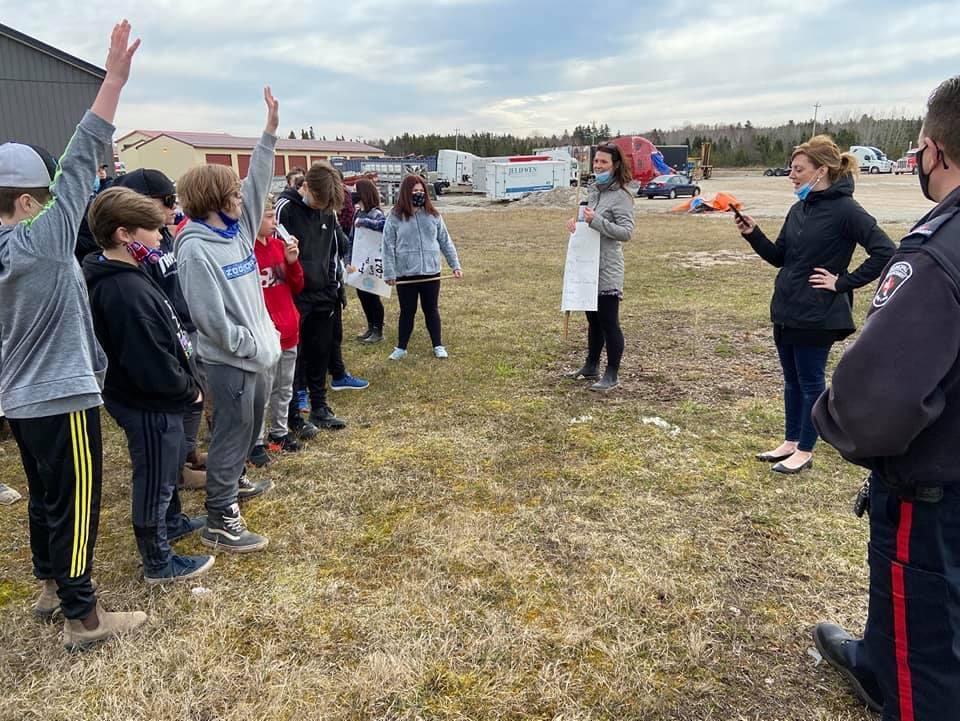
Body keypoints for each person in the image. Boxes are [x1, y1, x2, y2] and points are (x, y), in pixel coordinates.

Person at [811, 76, 960, 721]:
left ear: (934, 149)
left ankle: (896, 679)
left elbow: (876, 404)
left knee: (923, 657)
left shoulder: (937, 252)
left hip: (936, 495)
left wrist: (824, 417)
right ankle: (874, 658)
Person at [0, 20, 147, 650]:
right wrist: (112, 79)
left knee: (43, 498)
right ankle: (84, 619)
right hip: (63, 398)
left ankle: (47, 588)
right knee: (77, 508)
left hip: (19, 403)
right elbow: (86, 150)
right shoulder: (42, 238)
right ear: (31, 202)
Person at [734, 135, 895, 474]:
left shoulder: (847, 211)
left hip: (819, 313)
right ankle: (790, 441)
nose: (791, 175)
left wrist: (842, 282)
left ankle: (805, 450)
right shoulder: (799, 209)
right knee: (791, 380)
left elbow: (885, 251)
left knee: (810, 382)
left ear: (821, 171)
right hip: (788, 308)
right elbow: (781, 257)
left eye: (798, 169)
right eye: (791, 169)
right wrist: (754, 234)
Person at [83, 187, 213, 584]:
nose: (160, 237)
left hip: (161, 398)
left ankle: (172, 522)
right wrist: (186, 390)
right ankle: (157, 560)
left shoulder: (132, 272)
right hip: (149, 403)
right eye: (152, 229)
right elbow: (147, 359)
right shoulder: (121, 290)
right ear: (124, 234)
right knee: (154, 476)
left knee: (167, 464)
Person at [174, 87, 282, 553]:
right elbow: (210, 322)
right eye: (232, 192)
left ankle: (233, 484)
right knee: (231, 434)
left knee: (243, 431)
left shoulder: (235, 231)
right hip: (231, 361)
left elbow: (257, 183)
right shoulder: (196, 247)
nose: (242, 197)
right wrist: (252, 344)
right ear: (214, 200)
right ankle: (220, 517)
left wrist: (270, 135)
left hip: (256, 357)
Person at [112, 168, 206, 486]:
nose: (171, 209)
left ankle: (187, 455)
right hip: (161, 338)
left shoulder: (161, 236)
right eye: (166, 201)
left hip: (182, 326)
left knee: (195, 396)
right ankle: (176, 470)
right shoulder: (131, 252)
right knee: (180, 401)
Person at [274, 161, 351, 433]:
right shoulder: (285, 209)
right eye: (317, 201)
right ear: (305, 186)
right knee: (295, 358)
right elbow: (276, 251)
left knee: (321, 351)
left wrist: (333, 286)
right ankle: (293, 412)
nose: (320, 208)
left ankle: (320, 406)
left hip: (324, 294)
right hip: (295, 295)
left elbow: (332, 251)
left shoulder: (328, 212)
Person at [565, 142, 636, 392]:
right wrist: (577, 225)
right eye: (596, 161)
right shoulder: (593, 193)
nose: (598, 166)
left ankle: (612, 374)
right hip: (587, 266)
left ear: (615, 165)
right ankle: (591, 365)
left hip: (607, 268)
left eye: (603, 162)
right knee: (593, 321)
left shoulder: (622, 197)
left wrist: (597, 222)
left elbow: (626, 233)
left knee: (609, 322)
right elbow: (588, 223)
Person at [382, 174, 463, 360]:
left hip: (431, 272)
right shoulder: (394, 217)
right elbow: (387, 246)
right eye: (414, 191)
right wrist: (389, 272)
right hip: (406, 273)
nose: (418, 194)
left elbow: (445, 241)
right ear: (405, 193)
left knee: (431, 309)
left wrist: (455, 265)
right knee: (407, 311)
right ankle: (401, 348)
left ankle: (438, 345)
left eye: (421, 191)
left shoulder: (433, 215)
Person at [249, 199, 304, 467]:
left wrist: (292, 262)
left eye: (273, 216)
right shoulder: (246, 251)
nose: (274, 222)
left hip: (288, 327)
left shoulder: (279, 247)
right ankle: (256, 440)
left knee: (284, 386)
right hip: (264, 331)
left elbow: (297, 284)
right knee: (263, 388)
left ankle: (279, 431)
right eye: (268, 216)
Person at [351, 178, 386, 344]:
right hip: (359, 260)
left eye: (356, 190)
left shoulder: (375, 213)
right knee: (362, 294)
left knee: (372, 295)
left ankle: (378, 330)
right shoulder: (358, 213)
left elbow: (383, 226)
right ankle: (370, 326)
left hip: (373, 262)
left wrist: (364, 223)